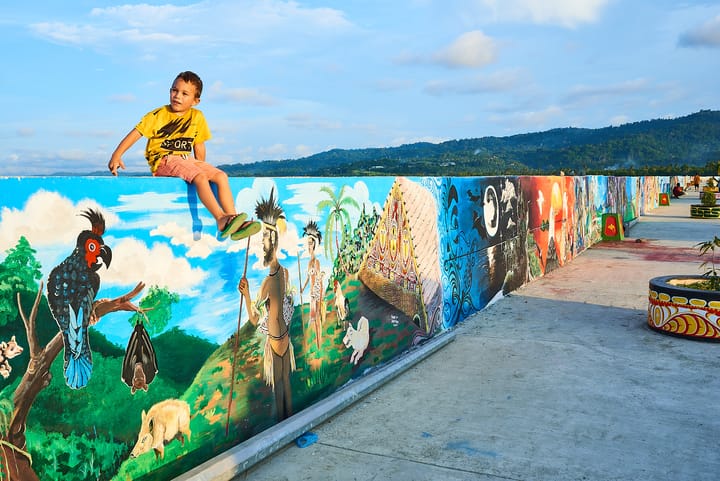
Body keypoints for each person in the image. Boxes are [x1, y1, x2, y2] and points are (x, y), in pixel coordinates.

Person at [107, 71, 245, 238]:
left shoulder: (198, 117)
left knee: (221, 176)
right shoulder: (158, 115)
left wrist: (200, 165)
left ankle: (234, 220)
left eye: (184, 93)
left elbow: (199, 145)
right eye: (174, 90)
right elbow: (136, 133)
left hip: (187, 160)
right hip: (164, 160)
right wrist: (117, 155)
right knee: (200, 177)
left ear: (196, 101)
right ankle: (221, 218)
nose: (177, 96)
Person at [238, 188, 296, 421]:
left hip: (278, 343)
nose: (261, 245)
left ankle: (286, 427)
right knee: (283, 389)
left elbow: (254, 320)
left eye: (264, 239)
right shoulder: (284, 274)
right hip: (281, 341)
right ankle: (288, 426)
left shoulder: (271, 281)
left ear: (272, 240)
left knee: (282, 389)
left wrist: (247, 295)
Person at [301, 220, 324, 349]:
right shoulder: (309, 263)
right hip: (311, 295)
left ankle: (320, 343)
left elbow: (319, 278)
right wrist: (303, 288)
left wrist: (320, 295)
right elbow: (308, 278)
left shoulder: (316, 262)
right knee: (314, 319)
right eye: (308, 243)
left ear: (314, 244)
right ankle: (317, 343)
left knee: (318, 319)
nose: (309, 246)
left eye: (311, 243)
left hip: (316, 293)